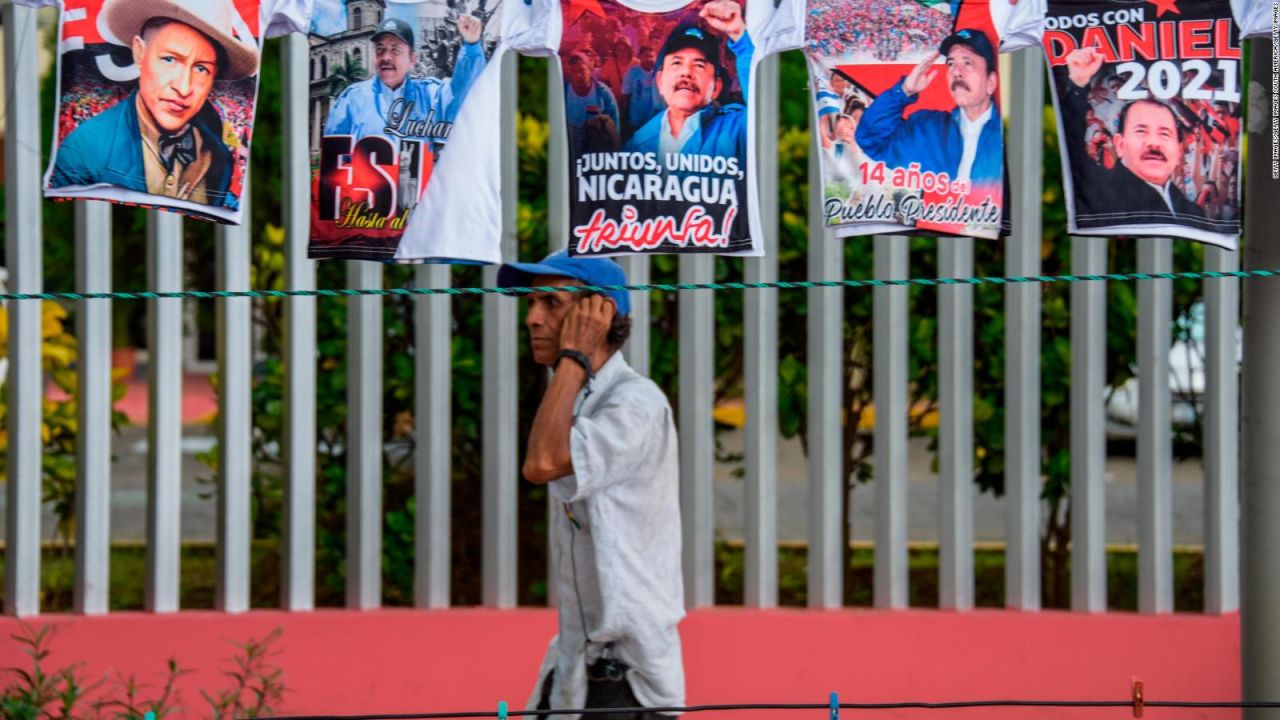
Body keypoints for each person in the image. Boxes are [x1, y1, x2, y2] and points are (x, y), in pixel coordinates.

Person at [500, 250, 684, 720]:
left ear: (596, 315)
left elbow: (543, 462)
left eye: (550, 303)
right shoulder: (580, 395)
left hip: (624, 682)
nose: (532, 319)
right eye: (530, 303)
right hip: (580, 664)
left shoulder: (634, 406)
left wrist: (574, 355)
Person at [49, 0, 261, 206]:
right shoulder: (83, 151)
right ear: (139, 52)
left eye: (201, 69)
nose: (183, 87)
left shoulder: (218, 154)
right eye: (169, 60)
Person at [1057, 46, 1205, 221]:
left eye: (1164, 134)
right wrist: (1078, 84)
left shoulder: (1192, 213)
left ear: (1179, 149)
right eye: (1141, 131)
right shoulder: (1102, 192)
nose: (1153, 143)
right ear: (1120, 144)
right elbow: (1074, 143)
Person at [855, 28, 1002, 187]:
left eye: (967, 62)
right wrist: (904, 91)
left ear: (990, 83)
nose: (956, 72)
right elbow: (871, 140)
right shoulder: (926, 129)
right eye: (951, 64)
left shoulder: (1011, 136)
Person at [323, 15, 485, 146]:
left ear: (412, 59)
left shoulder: (430, 95)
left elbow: (461, 93)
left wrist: (472, 46)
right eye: (380, 50)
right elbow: (335, 157)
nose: (386, 57)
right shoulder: (352, 98)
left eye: (395, 50)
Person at [623, 0, 753, 160]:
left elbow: (763, 109)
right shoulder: (634, 147)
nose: (686, 72)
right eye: (676, 63)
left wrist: (739, 36)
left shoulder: (734, 131)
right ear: (660, 81)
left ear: (716, 87)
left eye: (699, 65)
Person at [564, 50, 622, 153]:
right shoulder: (563, 92)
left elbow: (614, 126)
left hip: (596, 150)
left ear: (590, 70)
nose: (578, 75)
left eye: (582, 70)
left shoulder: (604, 93)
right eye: (574, 71)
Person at [620, 44, 662, 137]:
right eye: (646, 56)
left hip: (654, 120)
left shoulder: (661, 73)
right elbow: (625, 97)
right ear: (640, 57)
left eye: (651, 56)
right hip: (636, 120)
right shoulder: (632, 73)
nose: (649, 59)